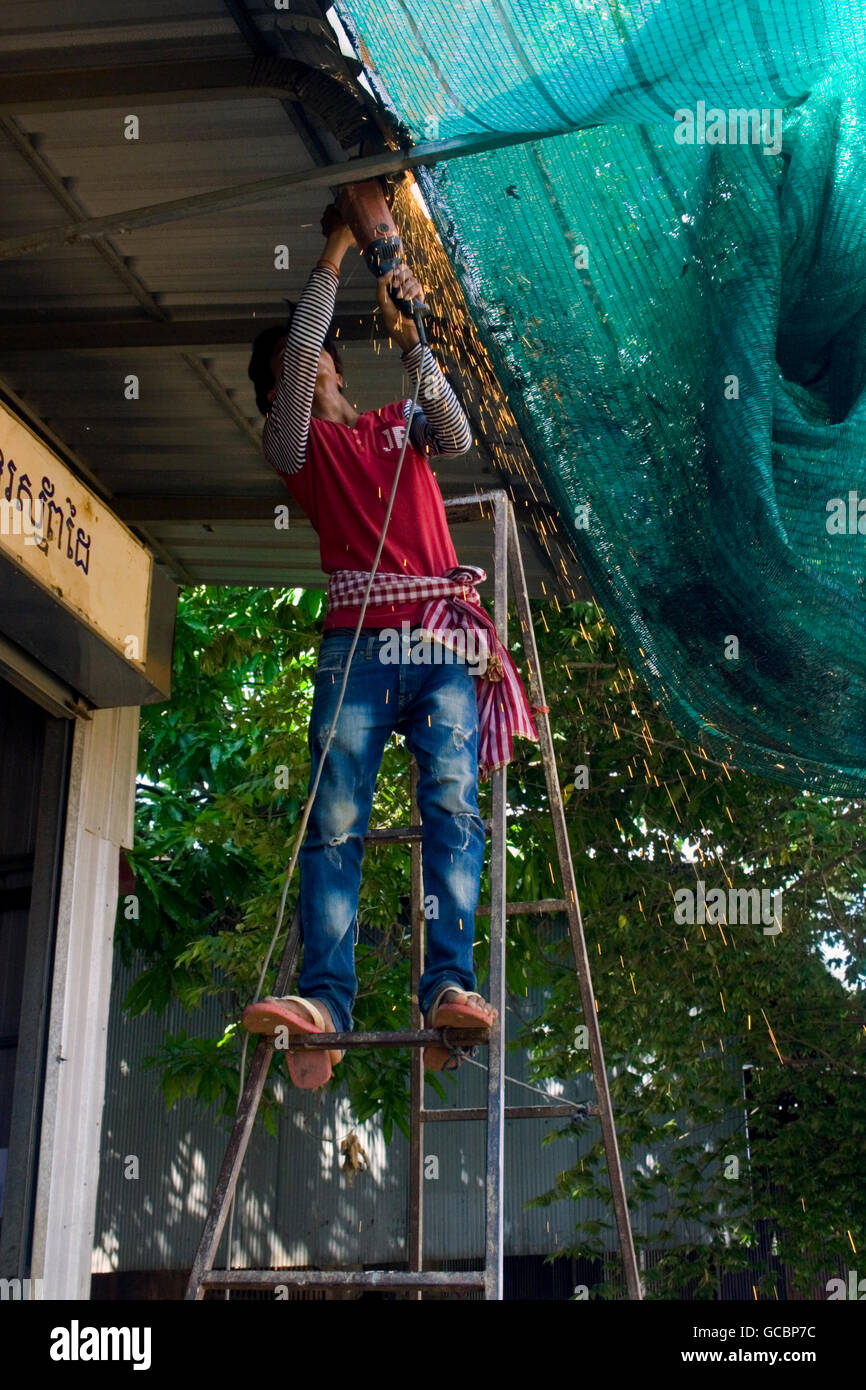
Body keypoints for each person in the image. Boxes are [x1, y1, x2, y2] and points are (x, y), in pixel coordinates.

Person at [244, 201, 538, 1089]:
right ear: (288, 384)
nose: (324, 366)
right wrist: (337, 243)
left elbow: (456, 431)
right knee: (334, 821)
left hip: (436, 642)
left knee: (453, 807)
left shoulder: (395, 426)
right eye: (311, 361)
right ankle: (325, 1003)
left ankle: (448, 983)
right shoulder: (294, 446)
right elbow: (296, 359)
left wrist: (411, 325)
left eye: (325, 359)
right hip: (357, 648)